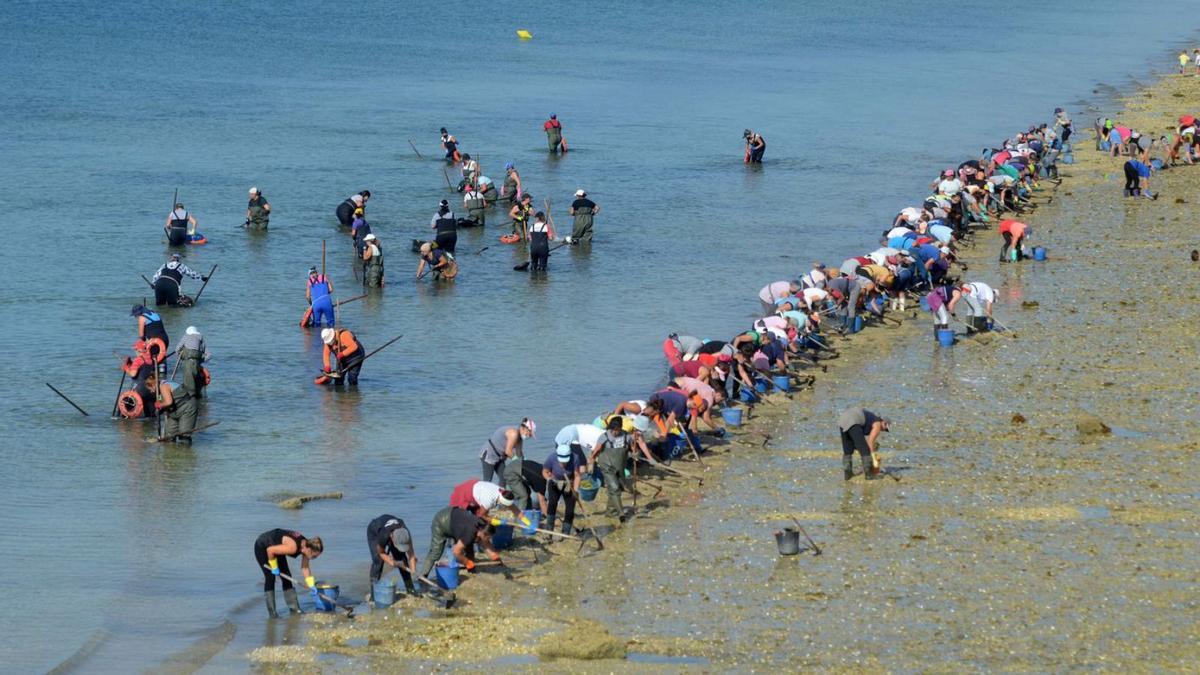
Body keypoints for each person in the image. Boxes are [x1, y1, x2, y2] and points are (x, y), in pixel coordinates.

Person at [254, 528, 323, 618]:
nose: (313, 558)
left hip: (276, 545)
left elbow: (305, 568)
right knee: (270, 577)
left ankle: (294, 609)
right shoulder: (293, 547)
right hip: (263, 546)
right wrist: (274, 566)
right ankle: (273, 614)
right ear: (309, 549)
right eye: (314, 556)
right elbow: (270, 550)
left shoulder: (306, 545)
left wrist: (311, 585)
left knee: (287, 576)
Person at [418, 506, 497, 581]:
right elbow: (456, 552)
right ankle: (422, 577)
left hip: (457, 522)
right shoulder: (470, 533)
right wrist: (468, 562)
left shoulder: (482, 526)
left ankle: (468, 572)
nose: (489, 539)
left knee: (469, 549)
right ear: (482, 533)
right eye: (488, 537)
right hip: (442, 521)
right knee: (436, 553)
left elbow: (486, 544)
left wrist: (496, 557)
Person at [588, 416, 636, 521]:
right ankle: (621, 513)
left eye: (617, 430)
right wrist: (591, 462)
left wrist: (634, 453)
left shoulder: (626, 436)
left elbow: (632, 448)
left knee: (615, 488)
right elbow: (595, 451)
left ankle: (609, 512)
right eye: (614, 430)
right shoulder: (604, 437)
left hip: (620, 467)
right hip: (607, 467)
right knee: (615, 488)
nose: (615, 432)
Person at [366, 514, 417, 597]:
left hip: (392, 531)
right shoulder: (384, 535)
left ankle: (410, 589)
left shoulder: (405, 533)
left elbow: (411, 555)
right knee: (378, 561)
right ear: (392, 538)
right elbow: (381, 553)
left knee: (401, 559)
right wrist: (392, 562)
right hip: (375, 529)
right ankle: (373, 593)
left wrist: (413, 570)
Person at [479, 418, 537, 486]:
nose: (529, 436)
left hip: (499, 458)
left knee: (504, 479)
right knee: (487, 481)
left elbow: (519, 453)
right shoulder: (514, 433)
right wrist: (517, 461)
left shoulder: (520, 437)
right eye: (530, 433)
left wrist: (525, 463)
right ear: (523, 428)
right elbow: (508, 451)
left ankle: (500, 495)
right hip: (489, 454)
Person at [837, 406, 889, 480]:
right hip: (854, 420)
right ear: (884, 422)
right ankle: (869, 475)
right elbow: (870, 443)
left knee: (848, 450)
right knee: (865, 451)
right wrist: (874, 458)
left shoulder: (871, 418)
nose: (883, 430)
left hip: (842, 420)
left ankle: (847, 475)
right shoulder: (877, 424)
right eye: (885, 428)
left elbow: (858, 441)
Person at [542, 443, 584, 533]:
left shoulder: (575, 458)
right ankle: (549, 531)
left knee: (570, 509)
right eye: (562, 461)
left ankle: (566, 532)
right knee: (552, 504)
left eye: (565, 461)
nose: (564, 463)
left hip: (569, 483)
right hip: (554, 483)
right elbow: (545, 471)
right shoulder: (552, 457)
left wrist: (576, 490)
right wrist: (549, 479)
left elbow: (577, 475)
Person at [148, 372, 198, 442]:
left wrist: (160, 405)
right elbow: (166, 405)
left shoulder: (163, 386)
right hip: (175, 411)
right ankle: (171, 452)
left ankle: (185, 451)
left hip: (187, 408)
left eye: (150, 389)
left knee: (184, 435)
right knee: (168, 436)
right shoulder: (159, 393)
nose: (151, 391)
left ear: (153, 384)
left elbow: (169, 402)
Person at [449, 479, 521, 522]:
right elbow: (481, 515)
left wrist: (529, 524)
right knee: (475, 516)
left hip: (479, 487)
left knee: (481, 513)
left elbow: (515, 510)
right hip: (467, 491)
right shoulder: (489, 501)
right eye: (506, 506)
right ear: (502, 502)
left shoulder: (504, 493)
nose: (506, 507)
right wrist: (497, 522)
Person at [176, 326, 210, 399]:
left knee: (188, 387)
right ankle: (198, 404)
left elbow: (177, 349)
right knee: (196, 386)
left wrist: (182, 357)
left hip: (188, 363)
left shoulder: (185, 336)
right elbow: (209, 355)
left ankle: (190, 403)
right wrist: (199, 361)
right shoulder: (201, 339)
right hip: (197, 365)